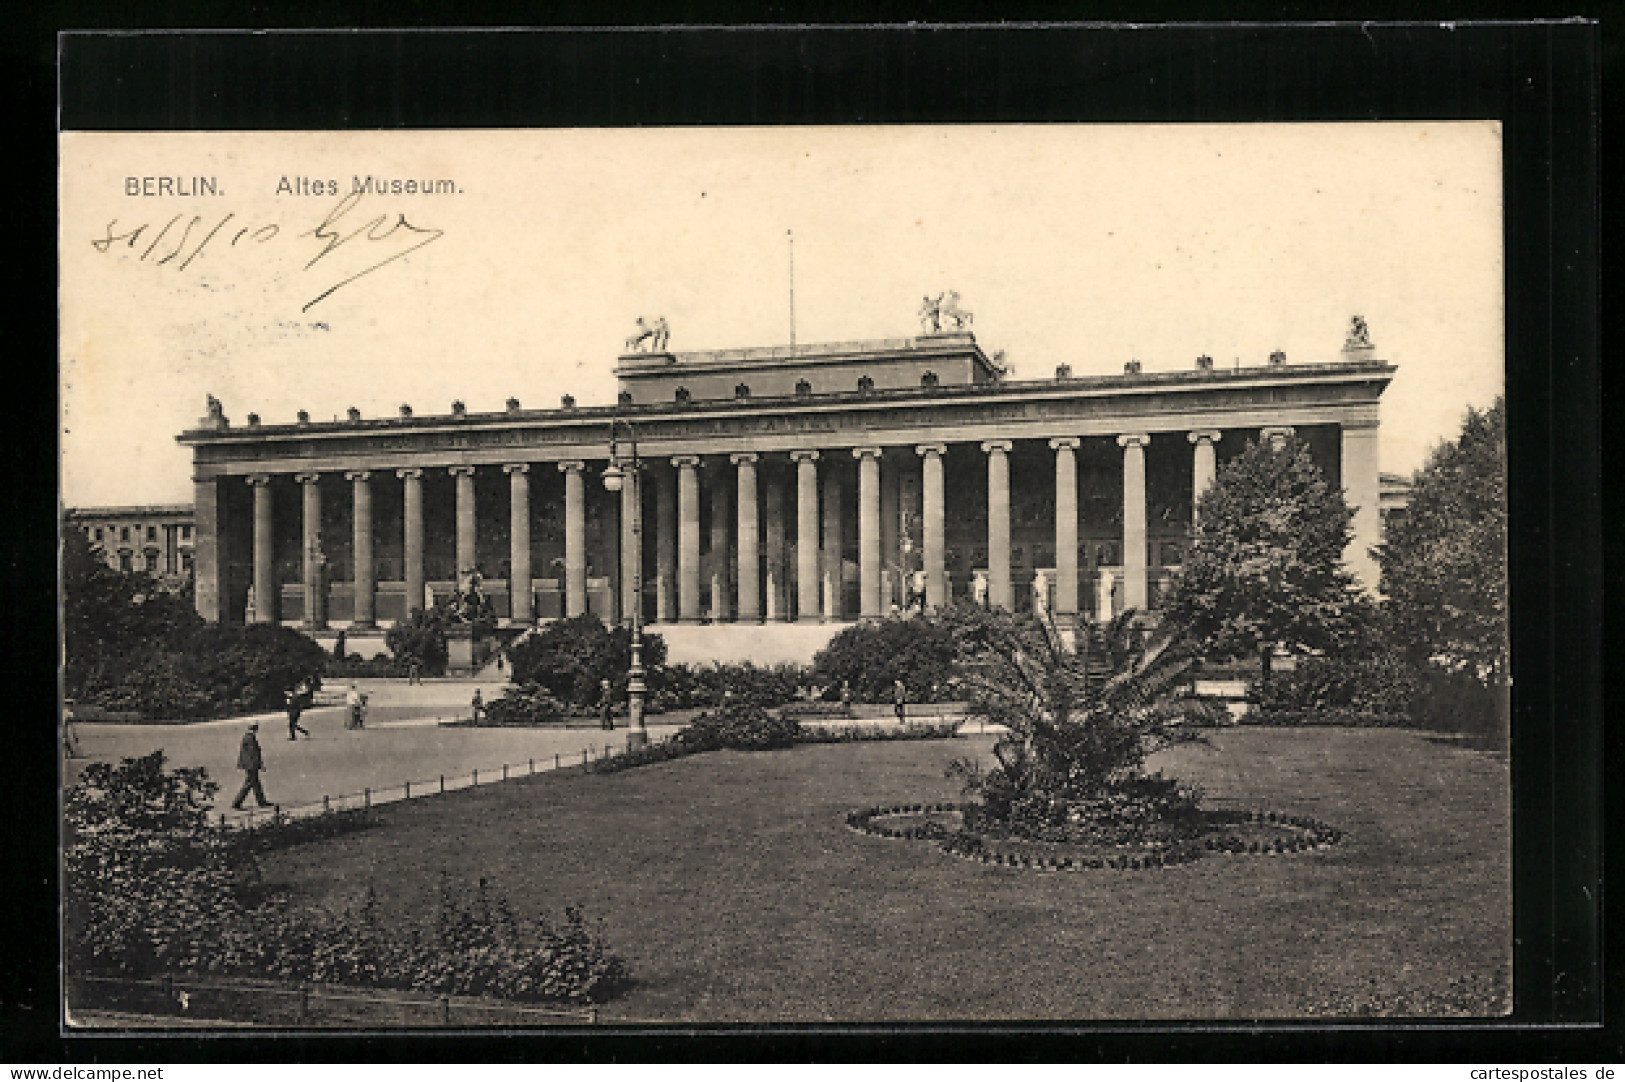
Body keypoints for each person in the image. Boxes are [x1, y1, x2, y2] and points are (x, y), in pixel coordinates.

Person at [231, 723, 272, 810]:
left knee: (256, 783)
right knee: (249, 783)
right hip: (251, 764)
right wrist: (260, 764)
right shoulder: (250, 738)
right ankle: (237, 802)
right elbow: (253, 753)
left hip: (248, 764)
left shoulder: (247, 737)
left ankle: (261, 801)